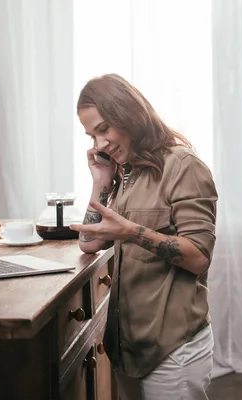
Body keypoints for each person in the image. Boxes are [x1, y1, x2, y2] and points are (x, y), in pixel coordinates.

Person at [70, 74, 218, 400]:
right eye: (92, 135)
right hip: (128, 346)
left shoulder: (183, 166)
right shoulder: (126, 172)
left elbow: (198, 257)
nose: (99, 144)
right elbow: (89, 243)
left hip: (172, 347)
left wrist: (130, 232)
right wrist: (101, 182)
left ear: (130, 115)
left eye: (104, 129)